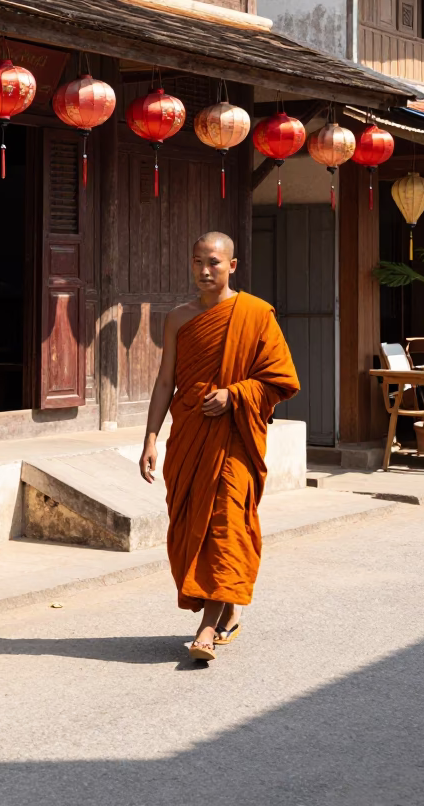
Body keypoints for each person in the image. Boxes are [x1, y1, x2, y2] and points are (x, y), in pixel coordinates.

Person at [139, 231, 299, 661]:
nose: (204, 270)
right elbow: (164, 381)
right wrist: (151, 438)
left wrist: (235, 394)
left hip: (234, 440)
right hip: (190, 435)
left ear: (232, 266)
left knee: (226, 524)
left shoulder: (255, 314)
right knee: (193, 525)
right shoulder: (177, 318)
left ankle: (206, 629)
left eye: (213, 262)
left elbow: (281, 379)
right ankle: (228, 613)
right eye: (197, 262)